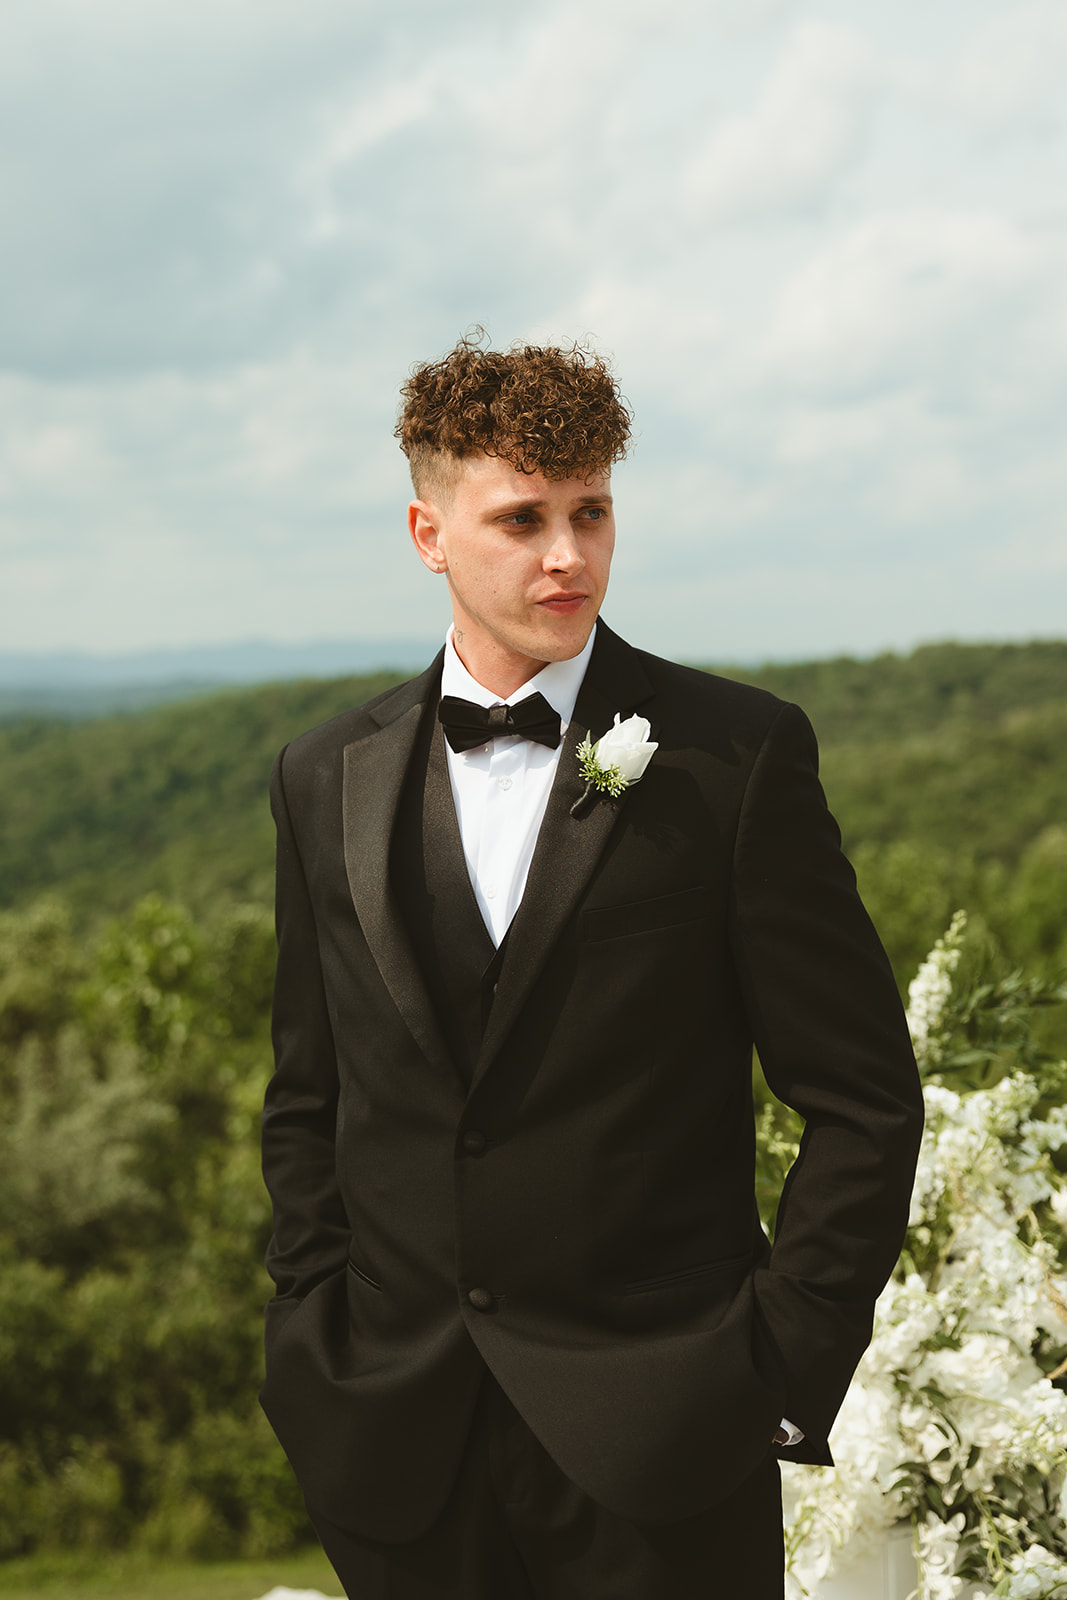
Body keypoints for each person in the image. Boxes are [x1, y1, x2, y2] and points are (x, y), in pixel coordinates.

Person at [259, 334, 924, 1599]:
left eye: (591, 511)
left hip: (669, 1441)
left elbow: (861, 1096)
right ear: (427, 531)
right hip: (398, 1445)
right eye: (522, 518)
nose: (567, 554)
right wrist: (310, 1332)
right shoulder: (319, 774)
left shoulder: (736, 757)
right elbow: (309, 1094)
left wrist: (781, 1360)